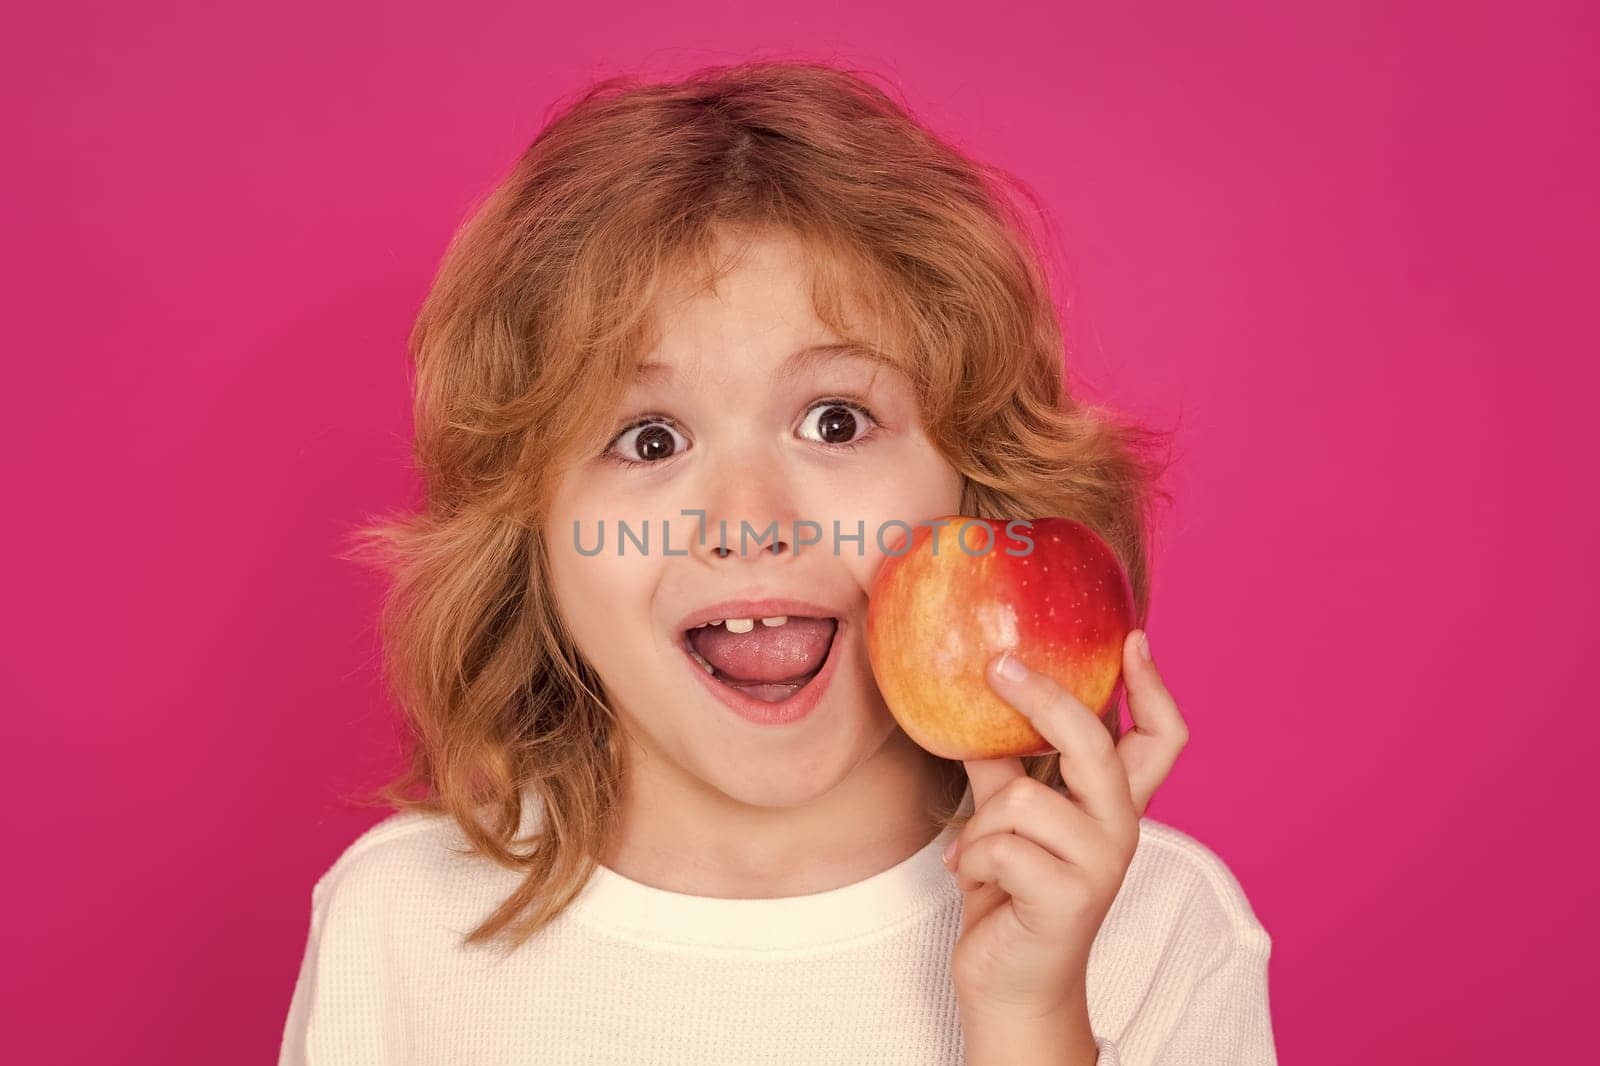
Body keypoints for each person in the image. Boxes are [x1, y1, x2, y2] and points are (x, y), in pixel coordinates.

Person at [278, 59, 1276, 1065]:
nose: (749, 523)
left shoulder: (1151, 929)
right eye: (650, 440)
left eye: (835, 421)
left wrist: (1028, 1022)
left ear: (972, 487)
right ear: (529, 532)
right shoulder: (400, 920)